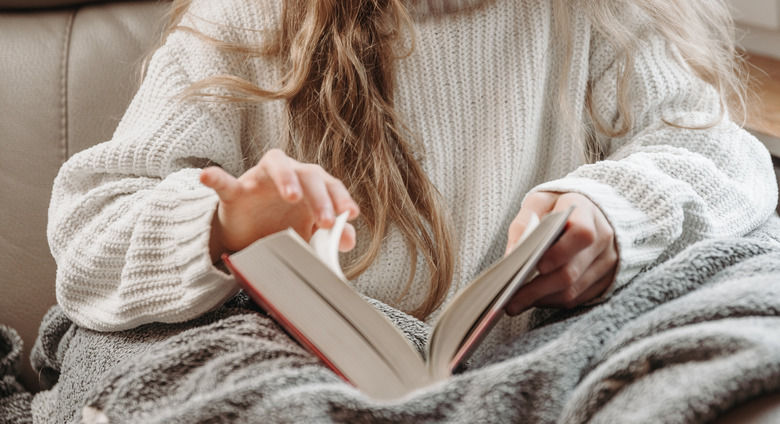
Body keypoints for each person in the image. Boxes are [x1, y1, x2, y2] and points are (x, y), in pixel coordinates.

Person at [47, 0, 776, 362]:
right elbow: (87, 238)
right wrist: (221, 226)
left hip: (530, 372)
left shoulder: (600, 14)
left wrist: (614, 215)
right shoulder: (244, 17)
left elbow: (723, 157)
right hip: (301, 381)